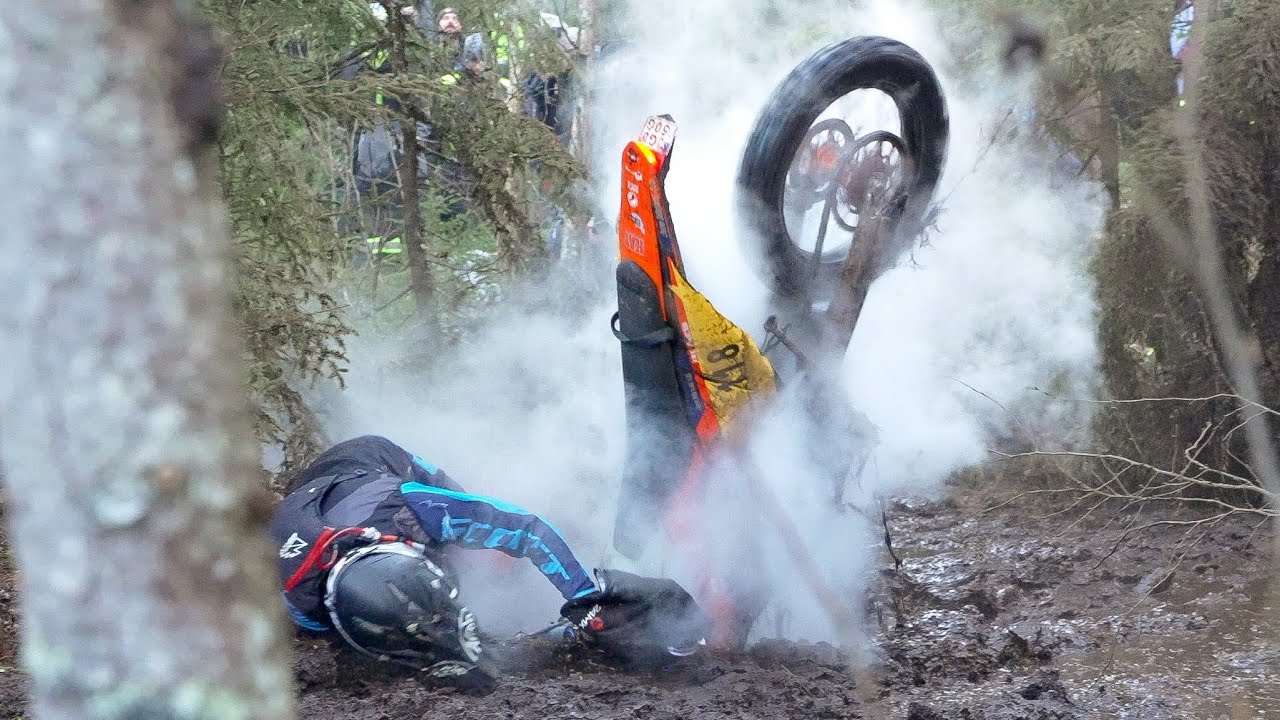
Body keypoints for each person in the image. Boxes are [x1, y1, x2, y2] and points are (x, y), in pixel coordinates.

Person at [271, 435, 710, 684]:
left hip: (374, 460)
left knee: (475, 540)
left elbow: (527, 528)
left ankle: (477, 566)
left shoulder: (415, 506)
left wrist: (583, 596)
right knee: (399, 628)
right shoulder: (299, 601)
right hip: (314, 504)